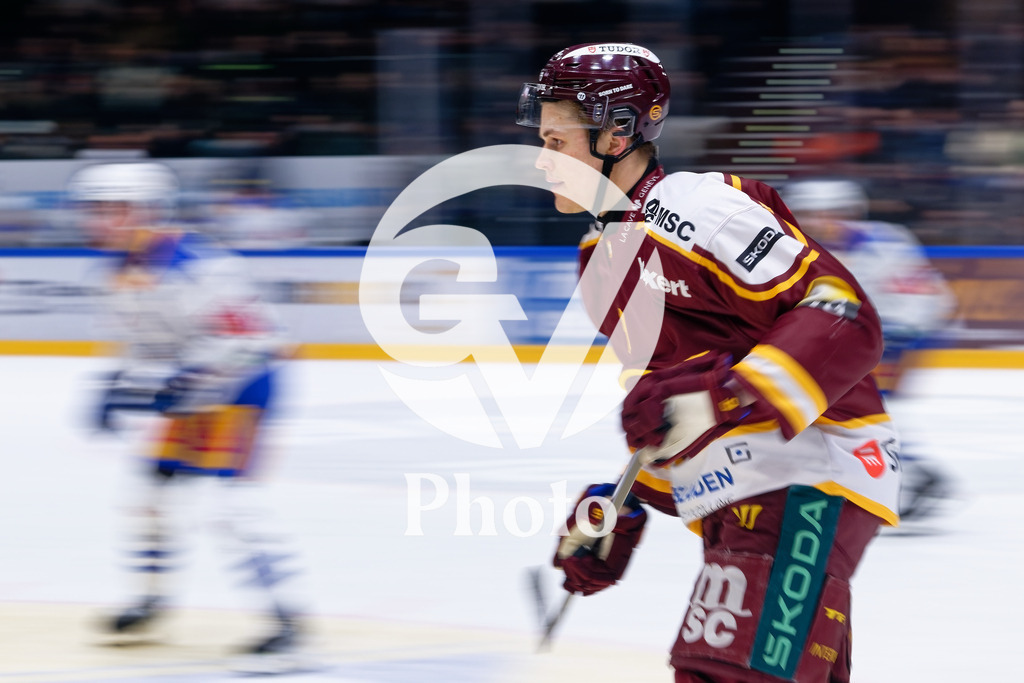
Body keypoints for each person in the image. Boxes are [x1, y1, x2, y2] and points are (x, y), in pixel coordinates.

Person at [517, 44, 901, 682]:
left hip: (810, 475)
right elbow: (671, 409)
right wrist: (623, 506)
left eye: (557, 141)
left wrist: (719, 398)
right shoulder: (599, 257)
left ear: (618, 132)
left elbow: (843, 314)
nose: (541, 158)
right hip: (743, 492)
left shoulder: (695, 208)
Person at [70, 161, 306, 670]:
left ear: (145, 212)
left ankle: (286, 621)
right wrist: (116, 383)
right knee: (149, 496)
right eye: (93, 210)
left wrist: (184, 385)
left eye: (111, 209)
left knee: (231, 511)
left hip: (245, 385)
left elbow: (252, 342)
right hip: (196, 387)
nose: (97, 221)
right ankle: (152, 599)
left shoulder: (195, 265)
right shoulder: (116, 271)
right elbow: (141, 345)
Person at [781, 179, 956, 523]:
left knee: (854, 411)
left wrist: (888, 336)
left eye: (829, 213)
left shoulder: (879, 244)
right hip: (863, 338)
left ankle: (911, 475)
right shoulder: (803, 248)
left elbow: (922, 299)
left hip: (894, 337)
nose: (821, 221)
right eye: (809, 215)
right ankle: (902, 475)